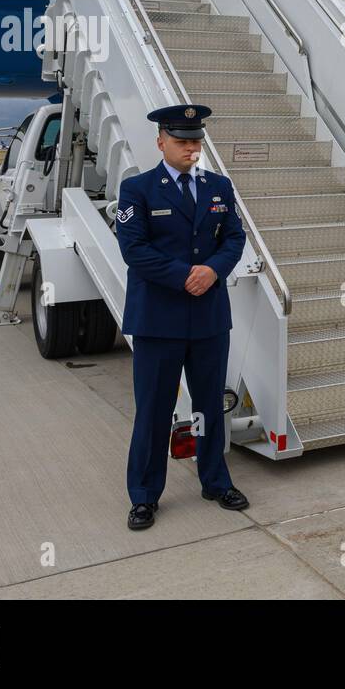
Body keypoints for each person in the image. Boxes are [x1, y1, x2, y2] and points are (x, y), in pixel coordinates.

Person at [116, 104, 249, 530]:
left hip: (208, 317)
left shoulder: (219, 187)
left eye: (196, 140)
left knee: (209, 405)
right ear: (161, 142)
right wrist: (184, 277)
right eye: (181, 140)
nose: (190, 147)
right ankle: (144, 495)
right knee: (153, 410)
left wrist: (212, 270)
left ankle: (215, 480)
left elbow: (234, 237)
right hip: (159, 319)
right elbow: (134, 250)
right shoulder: (137, 189)